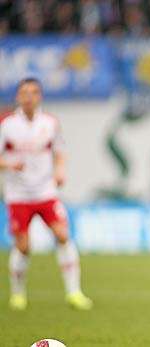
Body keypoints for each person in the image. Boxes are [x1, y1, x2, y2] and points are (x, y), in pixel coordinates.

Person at [1, 78, 93, 311]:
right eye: (24, 93)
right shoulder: (8, 125)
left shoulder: (50, 123)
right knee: (23, 246)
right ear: (18, 97)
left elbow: (60, 151)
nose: (29, 97)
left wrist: (60, 171)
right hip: (18, 195)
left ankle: (74, 292)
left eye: (33, 92)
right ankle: (18, 294)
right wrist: (10, 165)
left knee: (62, 235)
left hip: (45, 191)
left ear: (40, 96)